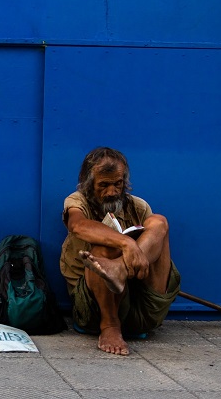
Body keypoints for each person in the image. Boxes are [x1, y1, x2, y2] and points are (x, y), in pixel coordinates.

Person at [59, 147, 180, 355]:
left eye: (118, 184)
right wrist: (126, 243)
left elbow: (154, 248)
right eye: (103, 185)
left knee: (159, 222)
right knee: (103, 247)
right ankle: (110, 326)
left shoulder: (138, 207)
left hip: (141, 307)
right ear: (89, 185)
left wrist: (124, 263)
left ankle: (118, 270)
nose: (112, 192)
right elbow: (77, 225)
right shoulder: (78, 201)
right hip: (95, 310)